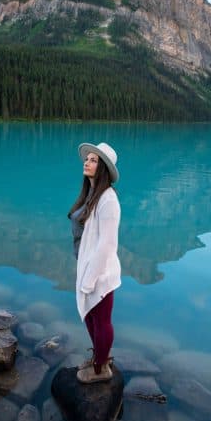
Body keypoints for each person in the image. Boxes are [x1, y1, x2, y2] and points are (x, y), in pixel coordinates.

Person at [68, 141, 121, 383]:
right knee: (90, 316)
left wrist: (90, 279)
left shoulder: (108, 200)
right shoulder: (92, 194)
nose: (86, 162)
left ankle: (100, 369)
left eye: (93, 160)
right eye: (87, 159)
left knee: (101, 321)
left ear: (102, 169)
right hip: (88, 267)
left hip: (101, 273)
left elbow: (107, 245)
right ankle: (101, 357)